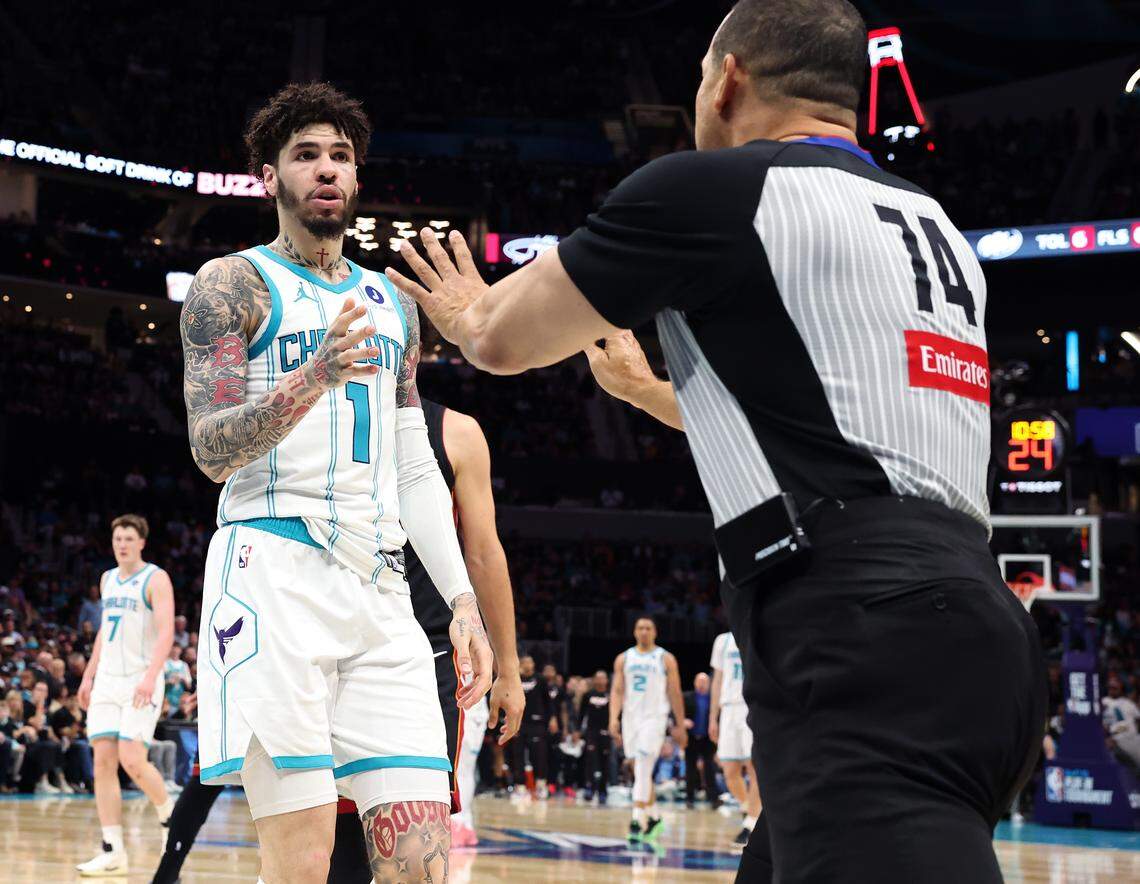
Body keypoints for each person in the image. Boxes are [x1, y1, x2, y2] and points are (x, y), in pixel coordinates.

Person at [388, 1, 1046, 879]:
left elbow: (504, 340)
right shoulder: (933, 226)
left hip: (856, 626)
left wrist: (469, 316)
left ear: (727, 78)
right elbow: (822, 425)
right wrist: (650, 394)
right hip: (977, 623)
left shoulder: (719, 190)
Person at [178, 81, 494, 883]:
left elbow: (414, 462)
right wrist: (308, 377)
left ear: (357, 180)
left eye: (341, 157)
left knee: (420, 859)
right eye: (306, 155)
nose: (326, 170)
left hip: (382, 590)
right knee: (302, 861)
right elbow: (211, 449)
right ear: (270, 178)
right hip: (273, 574)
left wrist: (462, 603)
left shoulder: (391, 302)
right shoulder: (230, 286)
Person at [152, 396, 523, 881]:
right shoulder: (300, 397)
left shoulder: (452, 432)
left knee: (406, 852)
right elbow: (220, 454)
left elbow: (483, 551)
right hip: (294, 624)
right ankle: (166, 870)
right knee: (305, 845)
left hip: (418, 643)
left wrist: (509, 667)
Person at [75, 514, 176, 876]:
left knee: (133, 759)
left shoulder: (155, 578)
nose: (122, 544)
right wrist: (88, 675)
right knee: (103, 762)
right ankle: (112, 849)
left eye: (129, 538)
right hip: (106, 680)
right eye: (118, 538)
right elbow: (105, 632)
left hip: (140, 678)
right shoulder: (107, 579)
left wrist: (151, 677)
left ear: (141, 542)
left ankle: (169, 818)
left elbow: (166, 633)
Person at [609, 617, 686, 844]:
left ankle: (636, 820)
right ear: (634, 632)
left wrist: (680, 724)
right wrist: (614, 718)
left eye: (648, 628)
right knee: (638, 768)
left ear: (655, 632)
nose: (644, 631)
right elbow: (617, 691)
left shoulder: (665, 658)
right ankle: (653, 817)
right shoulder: (624, 658)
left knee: (643, 765)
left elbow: (675, 692)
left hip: (654, 717)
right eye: (640, 628)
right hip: (631, 718)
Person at [710, 629, 761, 846]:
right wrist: (713, 717)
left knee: (754, 766)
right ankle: (749, 808)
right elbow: (717, 680)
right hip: (729, 708)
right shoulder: (722, 640)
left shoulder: (759, 633)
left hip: (752, 705)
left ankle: (750, 822)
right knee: (729, 769)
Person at [513, 656, 557, 798]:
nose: (526, 665)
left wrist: (553, 719)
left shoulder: (541, 679)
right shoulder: (514, 679)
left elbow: (549, 702)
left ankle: (541, 785)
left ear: (533, 664)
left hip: (537, 723)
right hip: (518, 723)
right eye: (524, 662)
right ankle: (520, 787)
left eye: (529, 662)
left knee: (539, 755)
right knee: (518, 755)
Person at [683, 672, 720, 811]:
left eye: (705, 681)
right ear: (695, 683)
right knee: (690, 769)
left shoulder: (713, 700)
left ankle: (714, 799)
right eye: (699, 681)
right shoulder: (687, 697)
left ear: (709, 683)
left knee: (710, 768)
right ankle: (689, 799)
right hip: (690, 738)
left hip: (707, 738)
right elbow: (677, 714)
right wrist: (682, 721)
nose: (702, 683)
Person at [579, 670, 612, 803]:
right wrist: (577, 730)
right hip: (591, 732)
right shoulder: (588, 695)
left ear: (606, 680)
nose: (599, 681)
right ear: (594, 680)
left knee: (605, 762)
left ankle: (603, 791)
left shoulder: (610, 695)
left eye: (602, 678)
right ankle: (589, 788)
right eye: (597, 678)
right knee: (591, 761)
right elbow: (581, 714)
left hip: (606, 732)